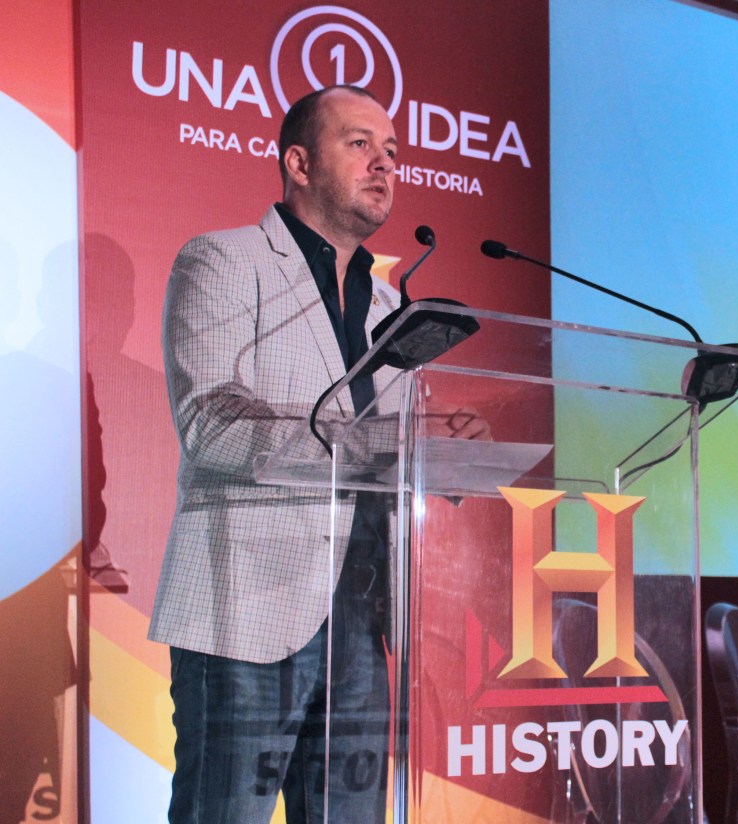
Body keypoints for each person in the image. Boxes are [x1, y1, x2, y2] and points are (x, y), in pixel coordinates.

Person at [149, 85, 485, 823]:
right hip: (247, 612)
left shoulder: (393, 307)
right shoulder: (224, 261)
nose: (384, 163)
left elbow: (393, 453)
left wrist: (446, 454)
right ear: (298, 164)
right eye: (360, 144)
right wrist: (384, 442)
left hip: (364, 621)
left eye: (392, 151)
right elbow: (213, 426)